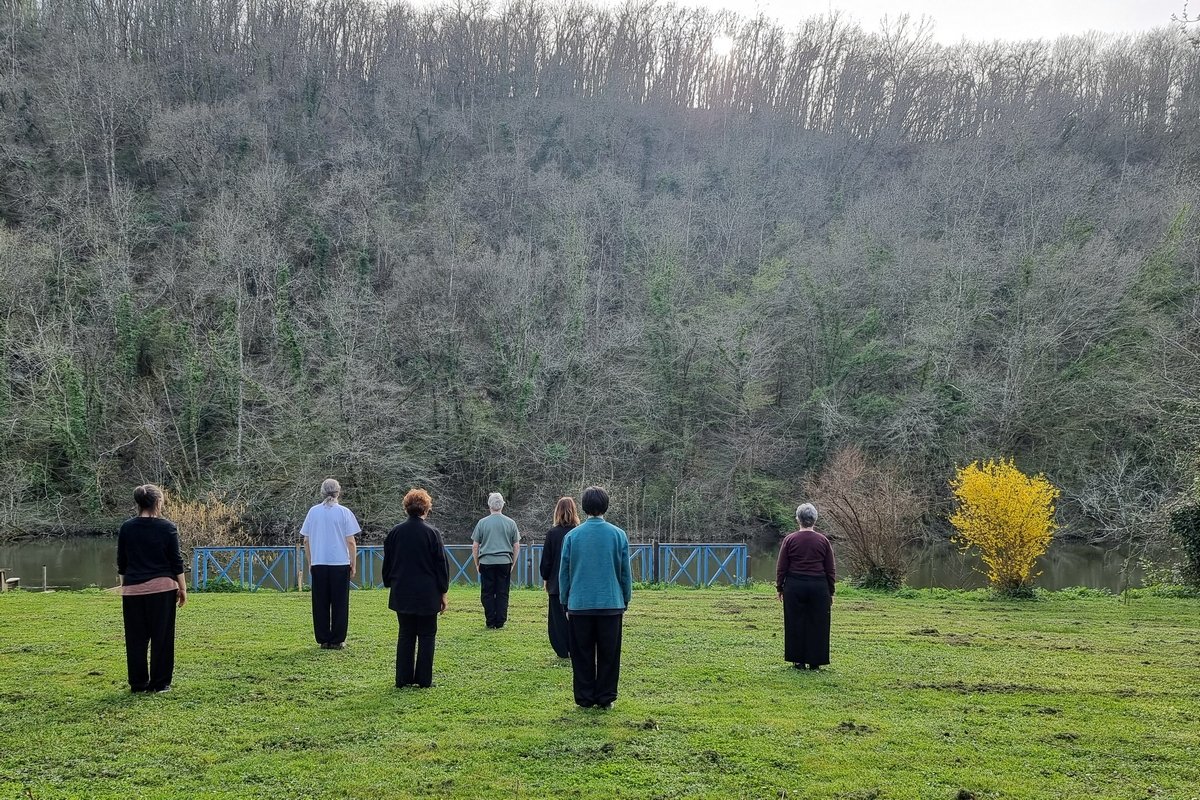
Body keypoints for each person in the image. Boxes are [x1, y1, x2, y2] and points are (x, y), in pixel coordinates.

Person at [558, 486, 632, 709]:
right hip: (611, 603)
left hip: (580, 604)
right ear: (606, 506)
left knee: (582, 653)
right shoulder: (618, 535)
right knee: (609, 654)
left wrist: (565, 600)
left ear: (585, 507)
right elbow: (624, 572)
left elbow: (565, 572)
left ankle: (585, 697)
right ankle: (606, 697)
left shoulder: (572, 536)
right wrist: (625, 598)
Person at [116, 484, 186, 693]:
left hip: (133, 589)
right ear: (158, 502)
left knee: (135, 637)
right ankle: (160, 684)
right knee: (162, 636)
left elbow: (122, 562)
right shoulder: (167, 527)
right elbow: (176, 561)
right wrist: (183, 589)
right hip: (163, 589)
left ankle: (137, 683)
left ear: (138, 503)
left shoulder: (126, 527)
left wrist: (124, 587)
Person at [382, 488, 449, 688]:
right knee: (427, 635)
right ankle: (424, 679)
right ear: (426, 509)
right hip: (428, 592)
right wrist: (443, 591)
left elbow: (388, 562)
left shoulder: (395, 533)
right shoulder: (432, 533)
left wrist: (389, 582)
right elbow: (441, 565)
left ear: (406, 508)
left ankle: (403, 679)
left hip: (402, 590)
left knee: (405, 634)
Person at [775, 502, 836, 670]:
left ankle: (798, 660)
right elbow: (830, 568)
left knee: (795, 621)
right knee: (819, 622)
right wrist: (831, 591)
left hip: (794, 585)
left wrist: (780, 587)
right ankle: (815, 661)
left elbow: (782, 567)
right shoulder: (823, 540)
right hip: (818, 585)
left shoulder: (790, 539)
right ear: (814, 520)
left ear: (798, 520)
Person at [300, 478, 360, 649]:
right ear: (338, 492)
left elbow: (306, 540)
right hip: (340, 563)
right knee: (340, 602)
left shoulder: (313, 512)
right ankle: (337, 639)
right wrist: (353, 563)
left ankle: (323, 638)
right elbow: (351, 542)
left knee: (320, 602)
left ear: (322, 492)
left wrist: (311, 562)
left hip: (319, 562)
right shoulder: (344, 512)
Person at [471, 491, 520, 629]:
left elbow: (475, 546)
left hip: (486, 562)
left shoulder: (482, 523)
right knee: (502, 592)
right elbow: (516, 546)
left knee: (487, 592)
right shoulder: (511, 523)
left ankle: (490, 619)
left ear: (489, 505)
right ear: (503, 505)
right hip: (505, 561)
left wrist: (477, 563)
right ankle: (500, 620)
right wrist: (513, 562)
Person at [539, 497, 579, 658]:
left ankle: (562, 649)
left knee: (557, 620)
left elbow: (546, 561)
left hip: (556, 584)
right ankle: (575, 646)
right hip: (575, 583)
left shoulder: (552, 533)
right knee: (575, 618)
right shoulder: (578, 532)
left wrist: (546, 578)